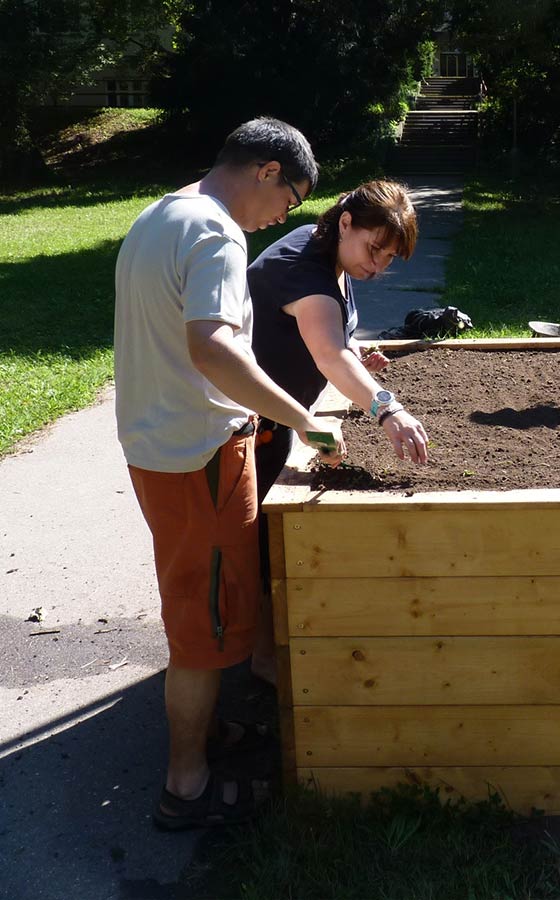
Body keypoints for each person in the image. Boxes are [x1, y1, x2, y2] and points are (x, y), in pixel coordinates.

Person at [114, 116, 345, 831]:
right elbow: (213, 350)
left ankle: (208, 734)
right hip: (200, 458)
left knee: (199, 603)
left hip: (161, 447)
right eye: (290, 198)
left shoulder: (162, 214)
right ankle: (186, 787)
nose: (286, 216)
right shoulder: (216, 232)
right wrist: (300, 417)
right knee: (203, 627)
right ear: (267, 171)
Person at [246, 180, 429, 674]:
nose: (378, 266)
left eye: (389, 258)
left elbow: (331, 339)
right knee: (258, 544)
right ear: (346, 222)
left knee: (265, 538)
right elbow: (328, 352)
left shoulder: (324, 246)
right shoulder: (305, 271)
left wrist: (359, 360)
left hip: (277, 413)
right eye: (375, 250)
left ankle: (267, 650)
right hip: (244, 423)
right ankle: (264, 662)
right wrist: (387, 407)